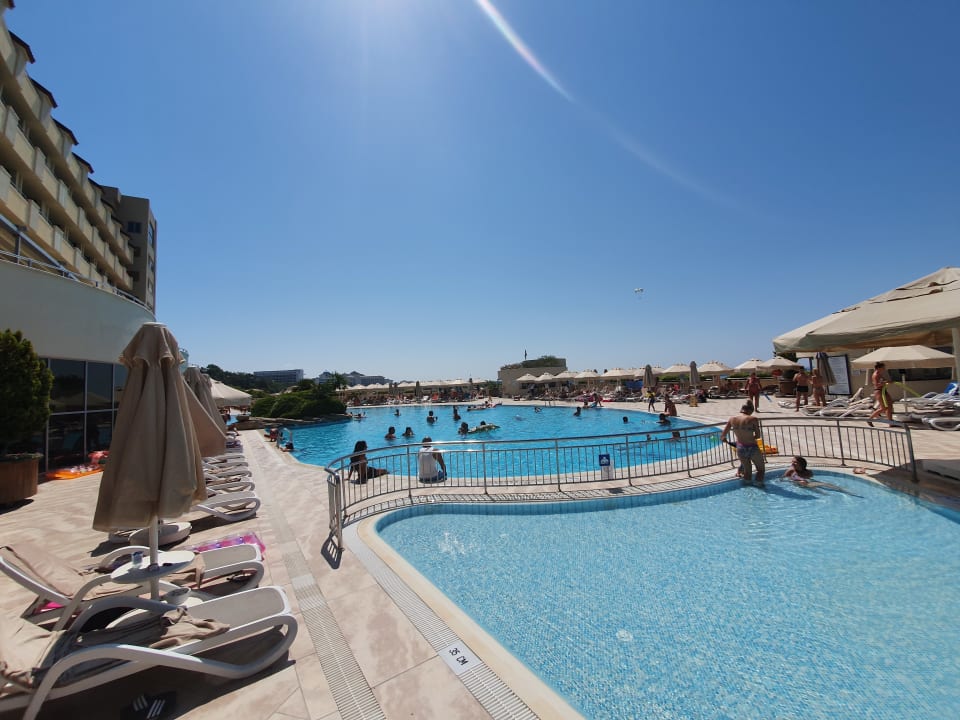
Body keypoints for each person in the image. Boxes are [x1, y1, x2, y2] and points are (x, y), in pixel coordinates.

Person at [720, 402, 765, 486]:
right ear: (751, 410)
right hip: (752, 447)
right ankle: (759, 486)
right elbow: (758, 436)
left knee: (747, 471)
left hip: (740, 448)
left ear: (742, 409)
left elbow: (722, 436)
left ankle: (747, 489)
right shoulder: (753, 419)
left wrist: (726, 440)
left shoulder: (732, 419)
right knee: (761, 470)